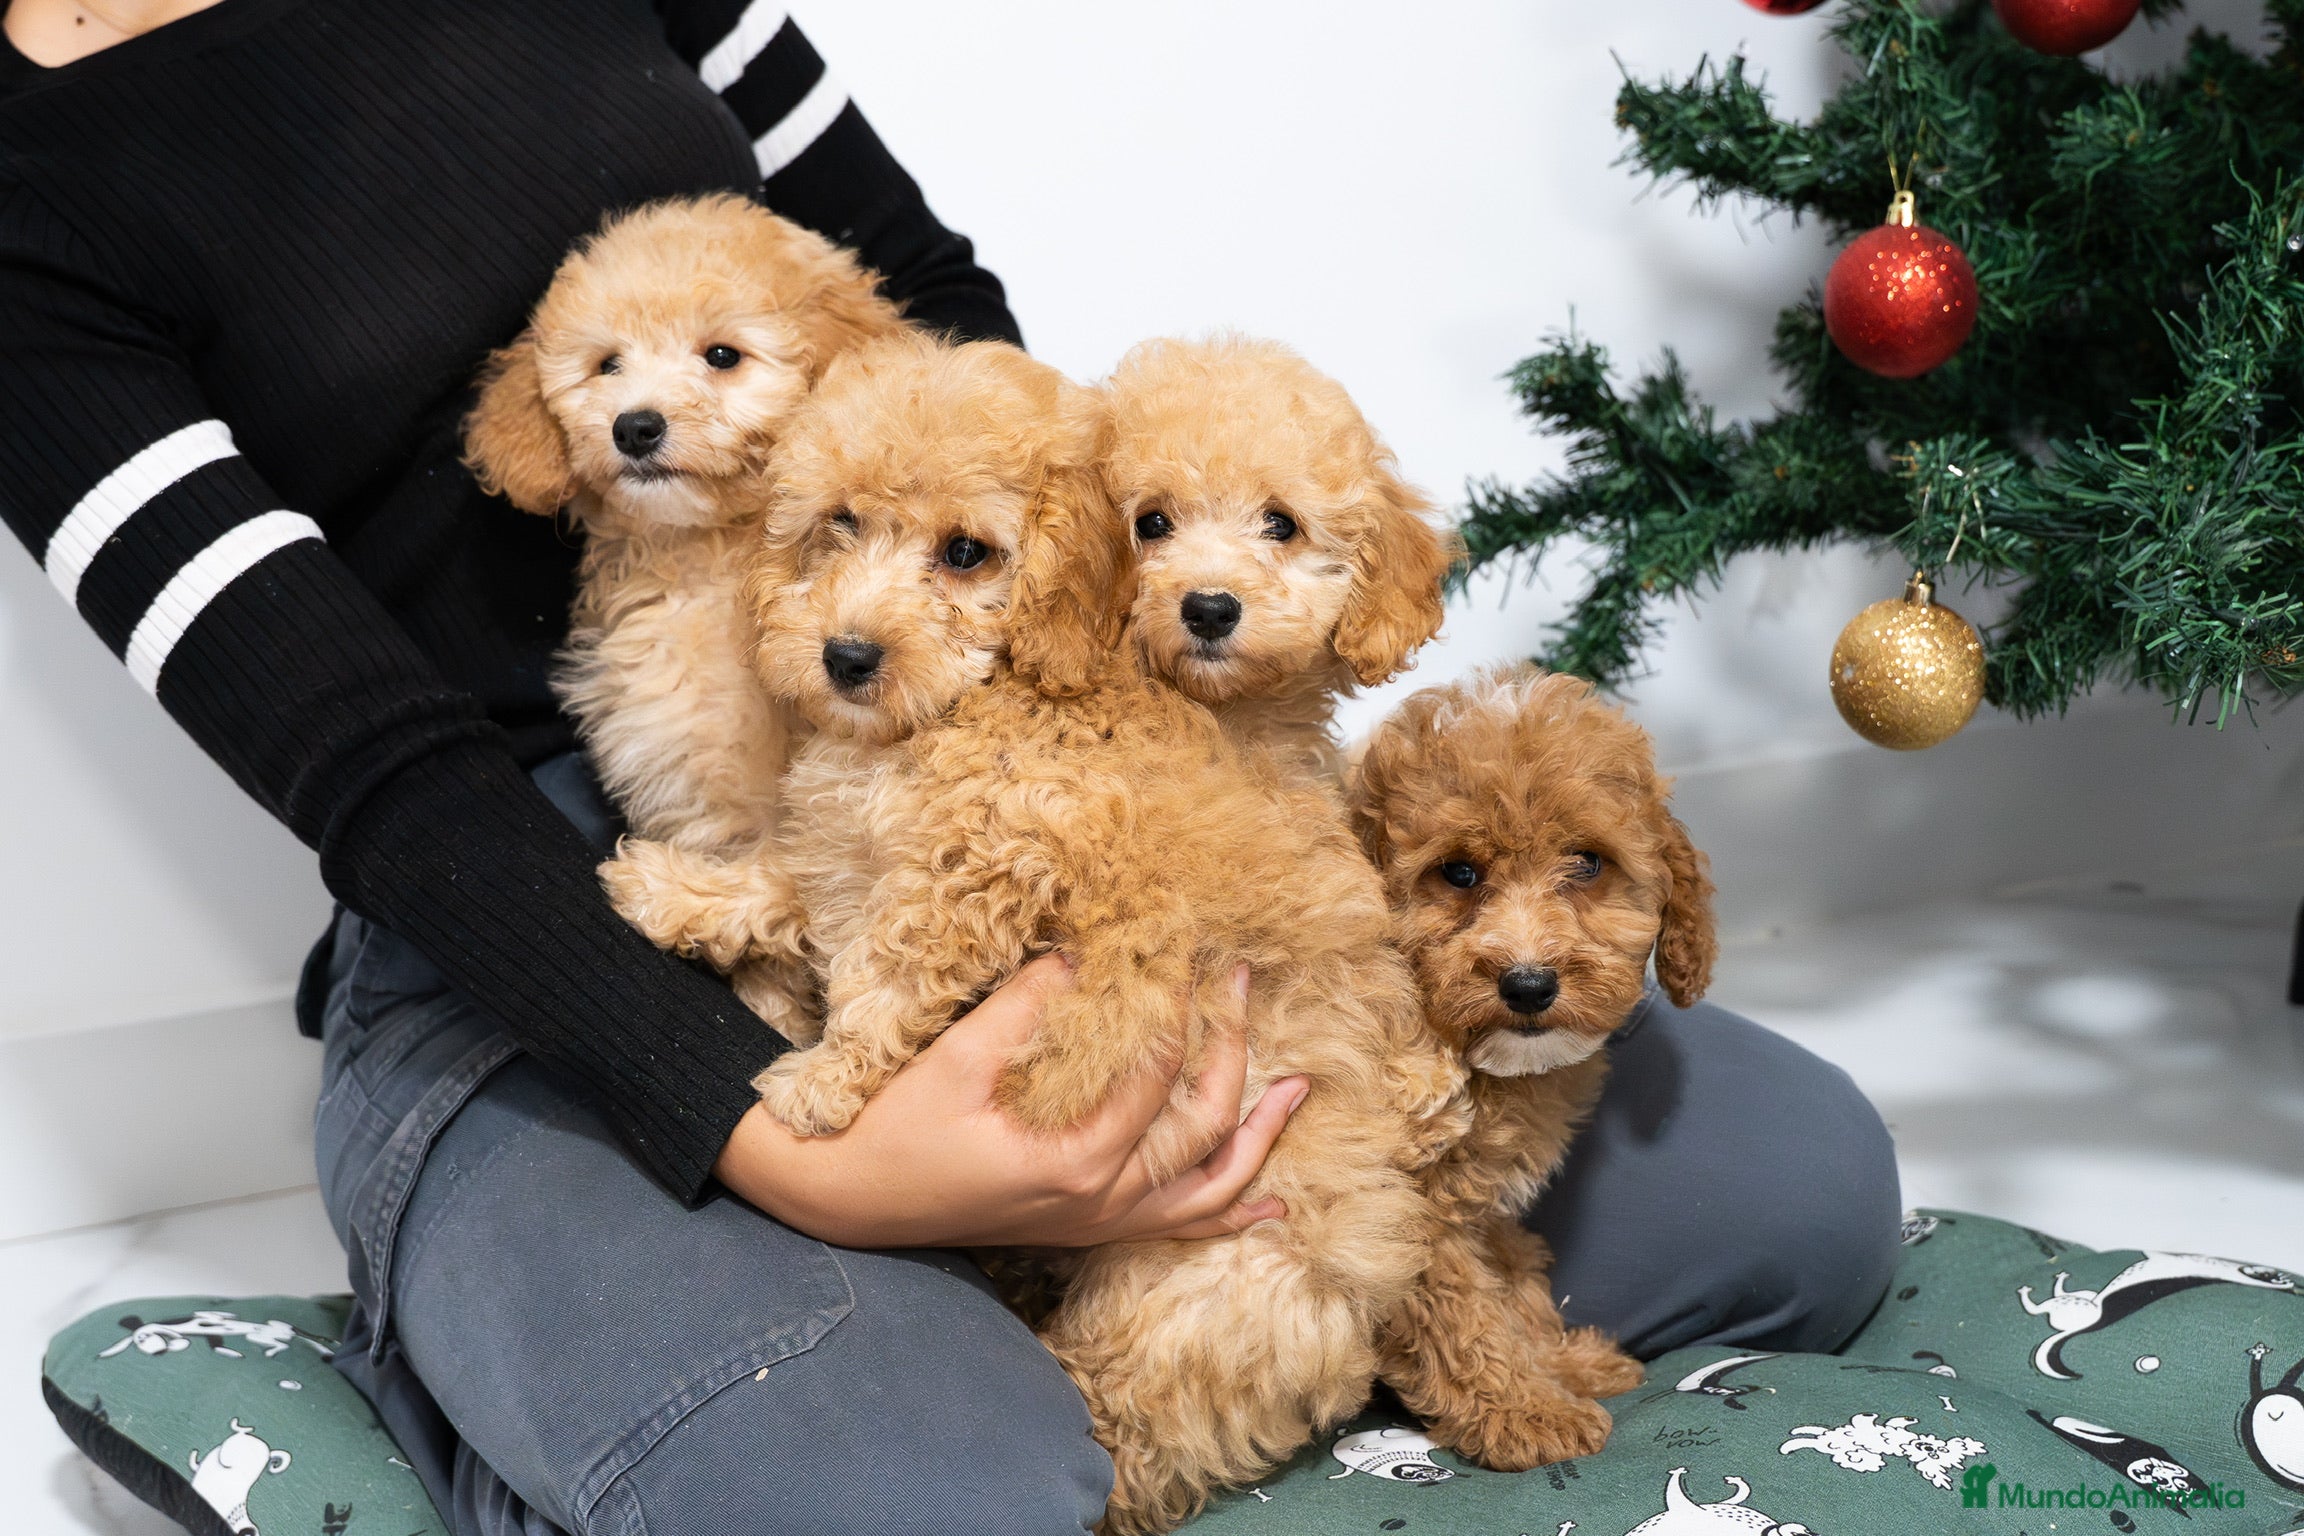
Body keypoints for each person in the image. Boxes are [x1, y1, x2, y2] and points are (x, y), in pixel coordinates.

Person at [0, 3, 1903, 1532]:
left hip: (1001, 769)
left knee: (1798, 1194)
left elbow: (941, 320)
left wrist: (1139, 769)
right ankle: (518, 1376)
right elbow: (368, 765)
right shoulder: (30, 188)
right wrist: (813, 1159)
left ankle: (1051, 1333)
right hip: (561, 907)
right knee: (924, 1491)